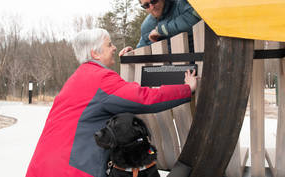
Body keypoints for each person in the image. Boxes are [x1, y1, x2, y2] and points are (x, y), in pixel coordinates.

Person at [25, 28, 197, 177]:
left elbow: (115, 94)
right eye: (109, 45)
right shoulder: (101, 79)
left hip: (46, 163)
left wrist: (130, 57)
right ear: (95, 53)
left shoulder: (80, 77)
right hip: (73, 168)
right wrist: (186, 89)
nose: (114, 47)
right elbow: (145, 98)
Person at [119, 0, 201, 56]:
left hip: (197, 65)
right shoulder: (147, 26)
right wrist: (131, 52)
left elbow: (196, 18)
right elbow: (142, 49)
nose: (152, 7)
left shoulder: (181, 5)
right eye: (146, 5)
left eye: (154, 1)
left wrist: (161, 30)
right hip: (166, 68)